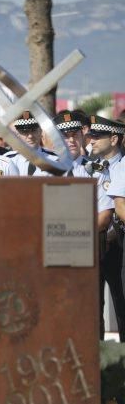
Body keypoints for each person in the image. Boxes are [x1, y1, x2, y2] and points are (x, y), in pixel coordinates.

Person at [85, 114, 125, 341]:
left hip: (118, 244)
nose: (91, 140)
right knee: (92, 306)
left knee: (122, 303)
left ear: (114, 139)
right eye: (91, 135)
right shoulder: (90, 167)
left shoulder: (123, 166)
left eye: (97, 136)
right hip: (94, 245)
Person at [7, 111, 58, 176]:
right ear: (18, 134)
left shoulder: (55, 160)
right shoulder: (8, 160)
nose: (30, 136)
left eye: (34, 130)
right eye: (25, 132)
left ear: (40, 131)